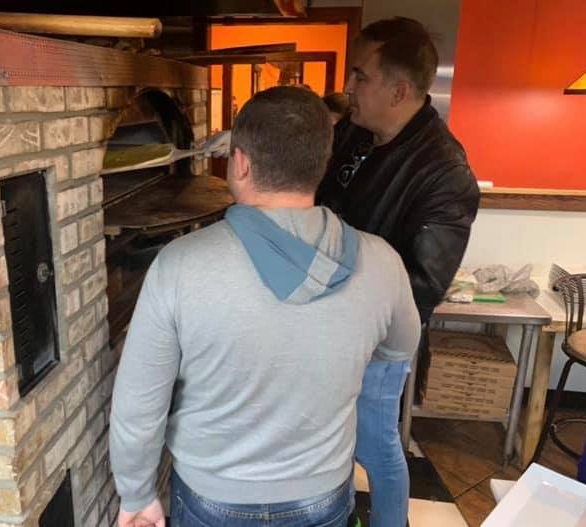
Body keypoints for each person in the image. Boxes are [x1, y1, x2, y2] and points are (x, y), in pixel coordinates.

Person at [110, 86, 421, 527]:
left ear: (240, 163)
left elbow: (139, 402)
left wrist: (137, 491)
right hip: (321, 494)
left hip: (213, 496)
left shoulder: (179, 265)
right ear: (321, 164)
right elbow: (401, 346)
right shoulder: (383, 262)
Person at [316, 17, 481, 527]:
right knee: (338, 436)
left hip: (377, 338)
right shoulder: (355, 133)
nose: (349, 86)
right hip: (332, 319)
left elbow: (423, 286)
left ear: (399, 90)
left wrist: (347, 314)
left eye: (361, 76)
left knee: (376, 441)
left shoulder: (444, 173)